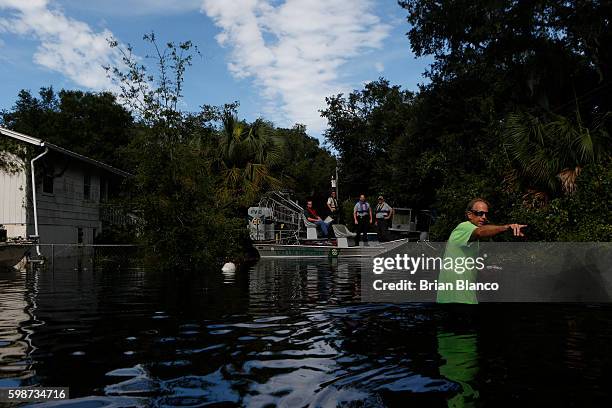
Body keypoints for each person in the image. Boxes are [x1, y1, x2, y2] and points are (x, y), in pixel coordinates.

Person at [437, 198, 527, 304]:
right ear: (469, 214)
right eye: (480, 213)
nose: (484, 217)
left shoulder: (468, 237)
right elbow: (480, 232)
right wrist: (506, 227)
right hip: (458, 299)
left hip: (459, 298)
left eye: (485, 214)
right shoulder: (465, 227)